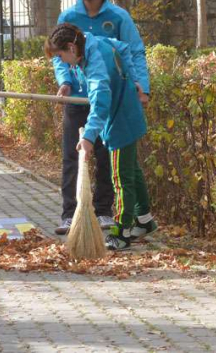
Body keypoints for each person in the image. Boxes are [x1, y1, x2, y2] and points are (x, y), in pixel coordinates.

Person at [53, 0, 150, 235]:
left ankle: (105, 211)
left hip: (109, 99)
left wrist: (140, 86)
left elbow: (132, 51)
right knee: (73, 155)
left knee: (109, 153)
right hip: (78, 100)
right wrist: (66, 82)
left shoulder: (118, 17)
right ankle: (69, 213)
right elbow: (60, 58)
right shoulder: (69, 16)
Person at [45, 23, 157, 250]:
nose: (63, 62)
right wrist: (133, 79)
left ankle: (122, 233)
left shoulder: (96, 70)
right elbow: (122, 48)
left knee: (120, 178)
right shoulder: (92, 41)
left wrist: (87, 137)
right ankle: (144, 220)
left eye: (61, 55)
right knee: (132, 171)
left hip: (119, 120)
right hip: (128, 111)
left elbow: (100, 105)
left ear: (71, 48)